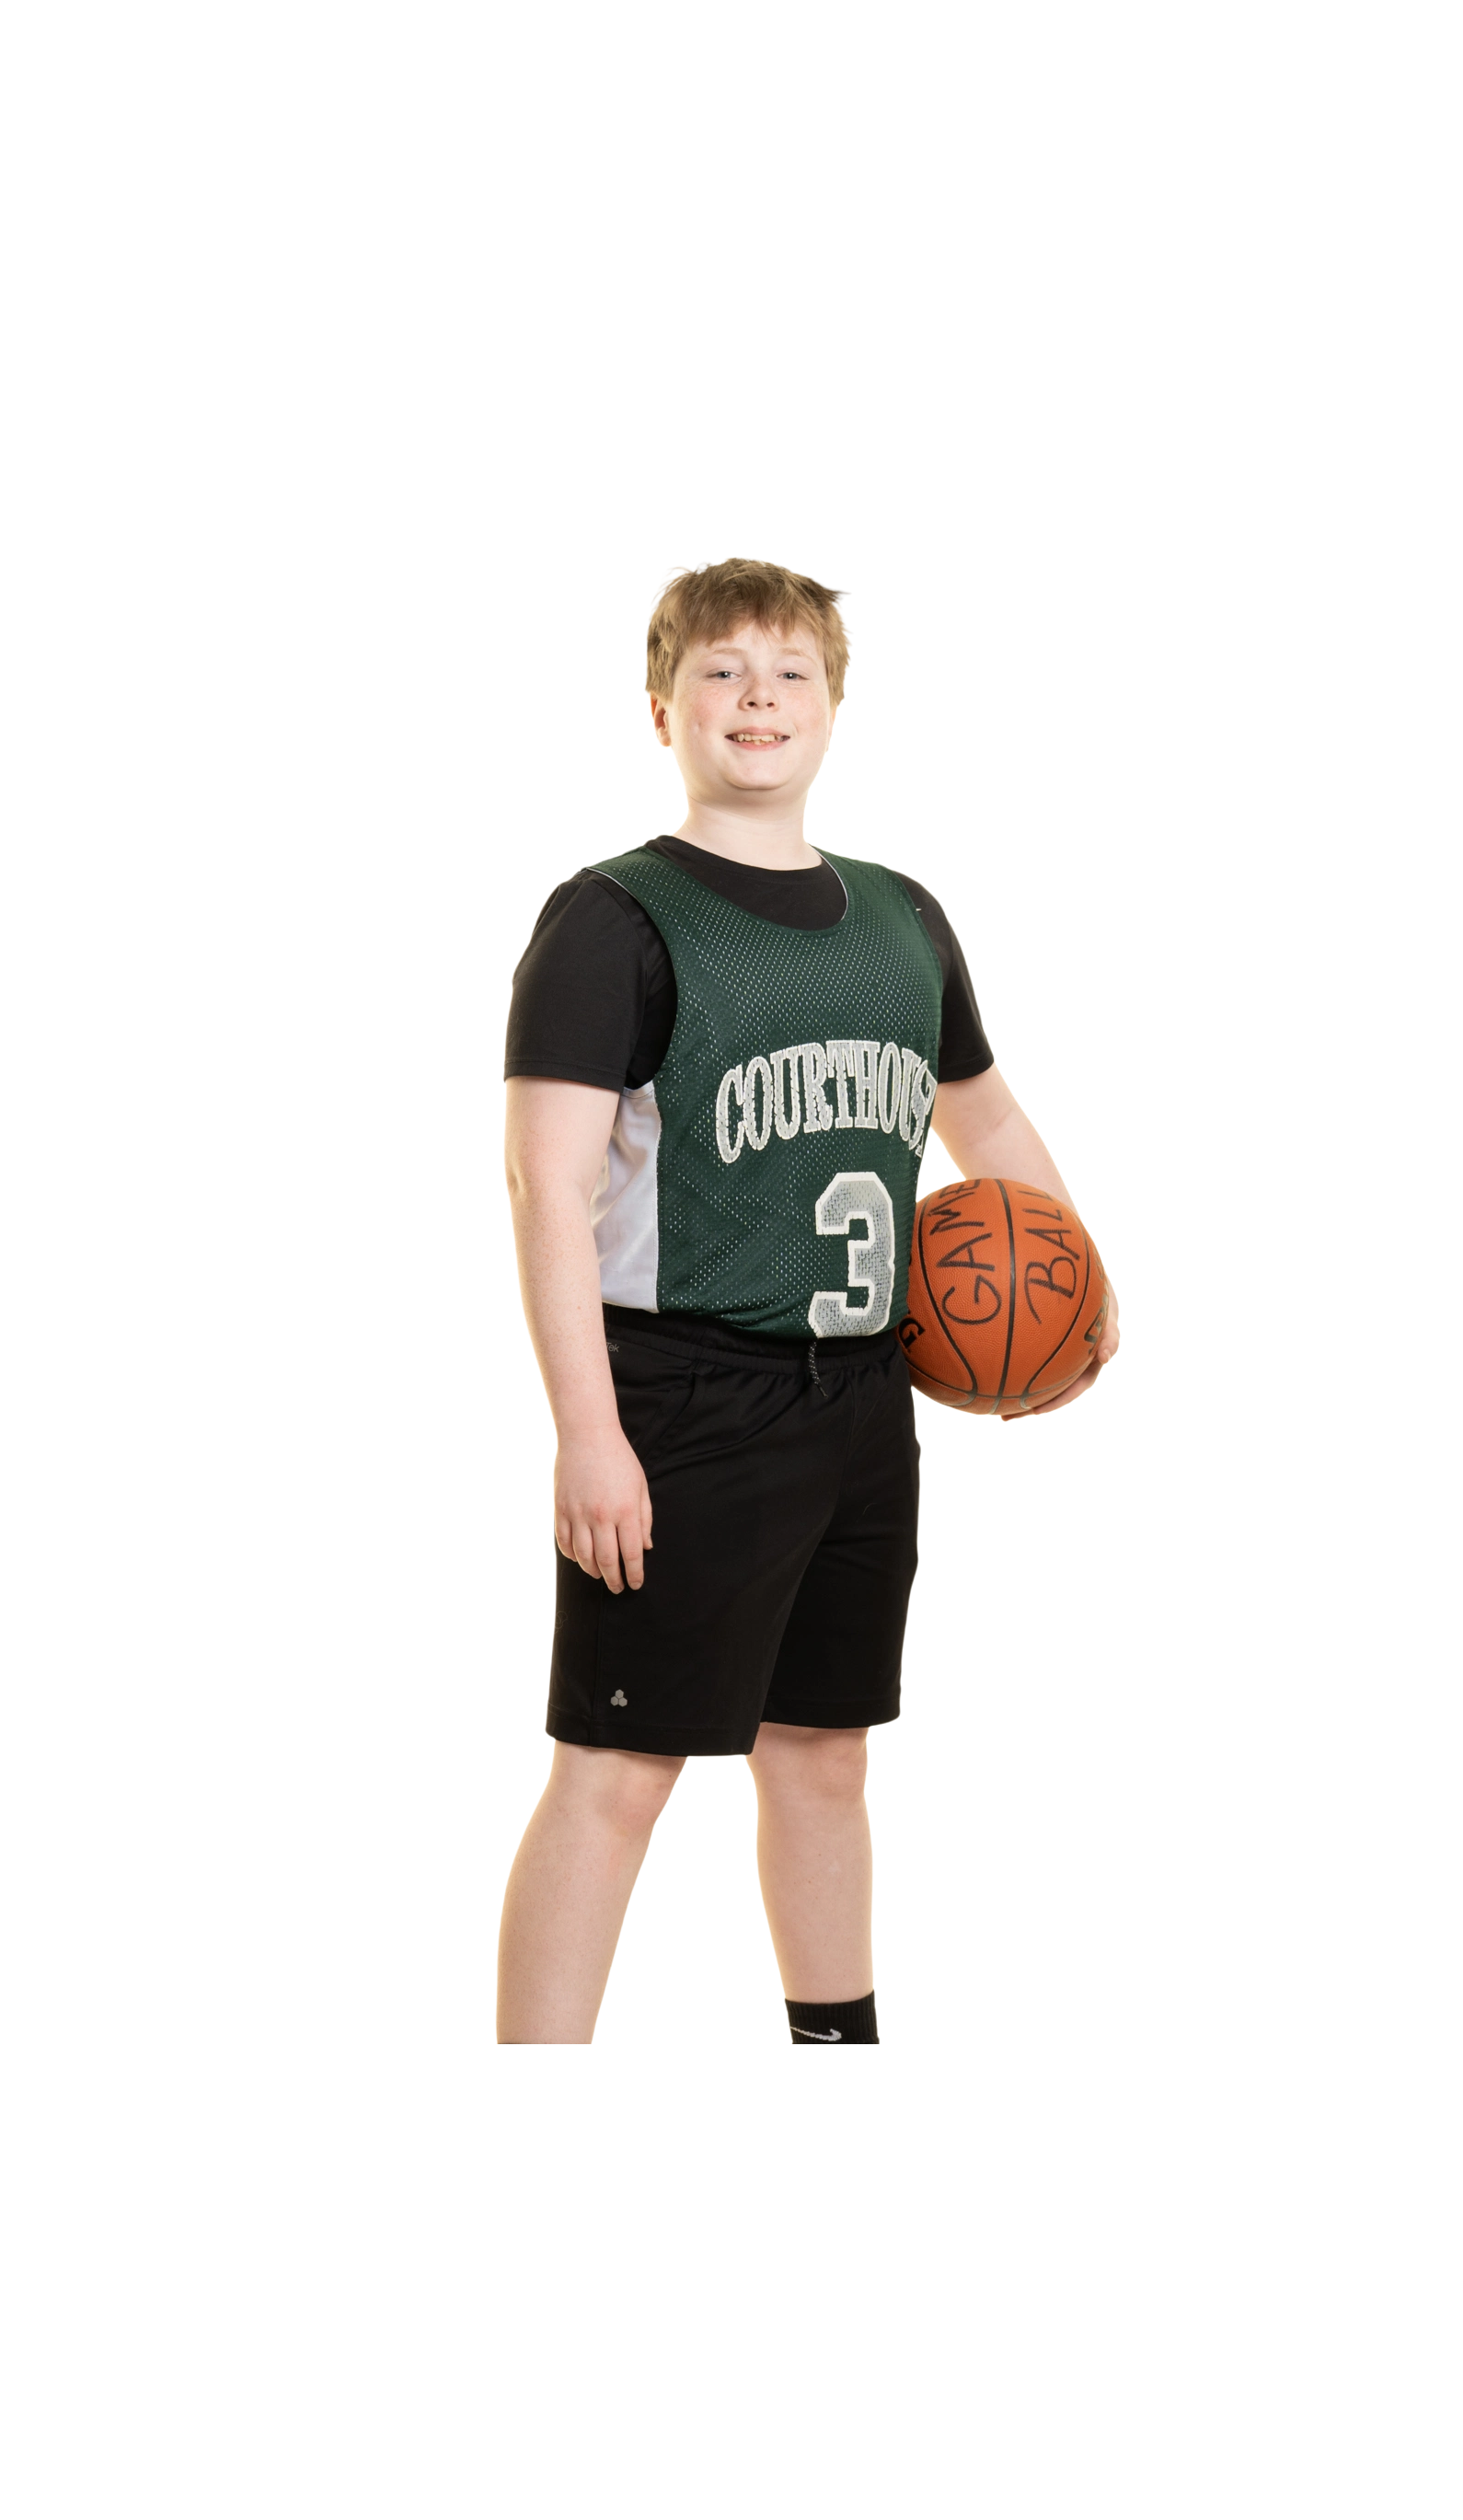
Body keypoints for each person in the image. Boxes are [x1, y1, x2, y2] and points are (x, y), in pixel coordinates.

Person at [495, 556, 1119, 2045]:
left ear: (834, 698)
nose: (757, 696)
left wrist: (1083, 1290)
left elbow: (989, 1121)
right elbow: (544, 1187)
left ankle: (839, 2054)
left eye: (789, 669)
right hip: (682, 1398)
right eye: (718, 669)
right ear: (662, 708)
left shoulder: (904, 918)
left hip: (861, 1401)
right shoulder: (611, 919)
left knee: (826, 1756)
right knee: (616, 1773)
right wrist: (591, 1433)